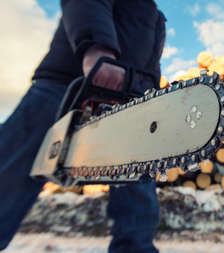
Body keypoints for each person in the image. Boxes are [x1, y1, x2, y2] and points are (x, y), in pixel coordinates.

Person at [0, 0, 166, 252]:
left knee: (137, 184)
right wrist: (97, 47)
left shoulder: (154, 14)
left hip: (129, 102)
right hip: (69, 82)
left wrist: (148, 95)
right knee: (13, 171)